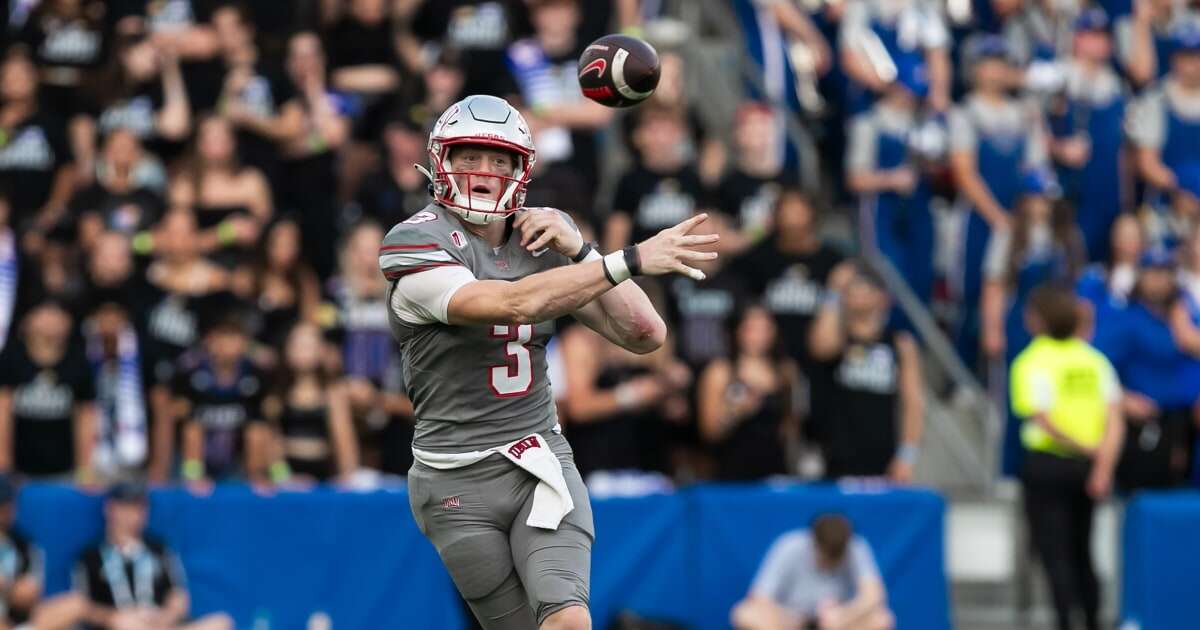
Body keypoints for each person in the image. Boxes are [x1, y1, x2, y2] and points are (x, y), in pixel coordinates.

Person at [383, 94, 717, 629]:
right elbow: (508, 302)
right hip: (453, 476)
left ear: (522, 170)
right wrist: (628, 259)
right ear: (441, 159)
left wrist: (582, 249)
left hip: (537, 459)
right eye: (470, 155)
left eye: (500, 160)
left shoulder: (541, 235)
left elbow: (644, 334)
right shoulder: (414, 240)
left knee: (567, 621)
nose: (484, 172)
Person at [1009, 282, 1125, 630]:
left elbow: (1042, 417)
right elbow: (1114, 420)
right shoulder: (1093, 359)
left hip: (1049, 465)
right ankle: (1092, 622)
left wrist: (1087, 450)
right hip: (1088, 468)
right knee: (1082, 552)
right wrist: (1102, 465)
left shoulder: (1032, 360)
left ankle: (1067, 623)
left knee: (1056, 554)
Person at [949, 35, 1049, 372]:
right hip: (979, 219)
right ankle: (961, 373)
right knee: (972, 294)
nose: (994, 73)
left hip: (1018, 218)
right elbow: (965, 174)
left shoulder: (1025, 113)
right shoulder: (965, 113)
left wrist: (1024, 219)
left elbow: (1036, 169)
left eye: (1000, 64)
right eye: (987, 65)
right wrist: (998, 219)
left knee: (1019, 297)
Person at [808, 263, 924, 481]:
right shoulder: (837, 338)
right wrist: (833, 292)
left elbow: (913, 403)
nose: (859, 292)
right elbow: (821, 347)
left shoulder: (900, 344)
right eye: (853, 287)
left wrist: (906, 456)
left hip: (882, 458)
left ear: (883, 297)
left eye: (867, 287)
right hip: (835, 458)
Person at [1095, 249, 1200, 488]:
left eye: (1166, 274)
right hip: (1144, 425)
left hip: (1184, 424)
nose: (1159, 281)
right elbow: (1096, 366)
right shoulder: (1125, 319)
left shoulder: (1186, 318)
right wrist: (1123, 398)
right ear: (1141, 276)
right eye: (1153, 273)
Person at [73, 479, 233, 630]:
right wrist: (114, 617)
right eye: (127, 507)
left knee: (221, 622)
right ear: (110, 509)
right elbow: (83, 607)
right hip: (120, 623)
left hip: (159, 622)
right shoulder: (90, 556)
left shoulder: (160, 549)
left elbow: (179, 597)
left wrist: (163, 618)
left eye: (140, 508)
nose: (135, 514)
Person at [846, 59, 936, 306]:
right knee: (886, 277)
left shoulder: (924, 123)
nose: (911, 98)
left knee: (920, 276)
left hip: (917, 210)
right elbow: (854, 179)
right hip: (881, 210)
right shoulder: (869, 122)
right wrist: (890, 179)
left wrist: (932, 159)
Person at [1049, 9, 1128, 263]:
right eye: (1090, 35)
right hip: (1069, 188)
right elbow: (1029, 124)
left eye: (1102, 36)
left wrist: (1126, 199)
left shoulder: (1116, 85)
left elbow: (1125, 149)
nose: (1097, 42)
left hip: (1107, 189)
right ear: (1076, 38)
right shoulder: (1056, 76)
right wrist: (1057, 148)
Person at [730, 513, 893, 630]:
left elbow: (874, 595)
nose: (830, 563)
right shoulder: (788, 545)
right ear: (814, 543)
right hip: (790, 621)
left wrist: (844, 616)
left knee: (882, 619)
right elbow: (759, 597)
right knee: (744, 614)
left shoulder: (855, 546)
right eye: (826, 556)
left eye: (836, 557)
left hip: (838, 623)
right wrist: (794, 619)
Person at [698, 303, 803, 481]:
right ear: (737, 330)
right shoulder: (720, 371)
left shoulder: (785, 371)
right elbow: (709, 432)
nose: (758, 336)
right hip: (732, 470)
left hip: (775, 471)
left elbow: (790, 425)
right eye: (751, 329)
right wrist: (735, 412)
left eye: (765, 329)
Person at [172, 311, 271, 486]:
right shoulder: (193, 372)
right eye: (223, 338)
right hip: (204, 449)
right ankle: (193, 478)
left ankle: (257, 478)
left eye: (234, 338)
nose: (228, 344)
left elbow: (266, 418)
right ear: (210, 341)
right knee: (192, 429)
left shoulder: (255, 375)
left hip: (236, 454)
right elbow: (178, 412)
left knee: (257, 431)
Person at [0, 300, 97, 480]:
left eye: (57, 314)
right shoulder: (11, 359)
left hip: (64, 470)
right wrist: (3, 464)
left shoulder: (78, 362)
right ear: (26, 321)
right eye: (43, 313)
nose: (51, 320)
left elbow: (86, 416)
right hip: (18, 470)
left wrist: (85, 467)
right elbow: (2, 413)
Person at [1127, 23, 1200, 253]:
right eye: (1186, 57)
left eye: (1196, 57)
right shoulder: (1156, 99)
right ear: (1174, 59)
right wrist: (1182, 190)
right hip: (1166, 207)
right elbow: (1146, 162)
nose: (1192, 65)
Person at [262, 321, 358, 484]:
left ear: (321, 350)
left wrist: (347, 478)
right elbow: (272, 445)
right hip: (287, 480)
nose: (303, 350)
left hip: (326, 479)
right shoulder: (276, 398)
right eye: (297, 344)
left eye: (309, 344)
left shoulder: (333, 394)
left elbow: (344, 442)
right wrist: (283, 478)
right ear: (287, 351)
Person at [0, 474, 88, 630]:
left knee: (74, 604)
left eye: (6, 505)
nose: (4, 511)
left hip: (17, 620)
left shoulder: (24, 544)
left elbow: (28, 594)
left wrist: (6, 585)